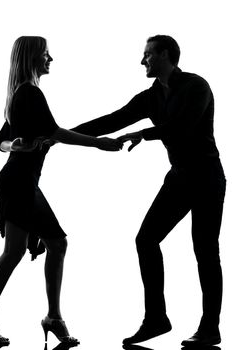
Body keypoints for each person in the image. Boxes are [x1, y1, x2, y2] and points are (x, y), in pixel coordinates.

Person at [71, 35, 226, 347]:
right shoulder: (151, 96)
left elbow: (184, 126)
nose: (143, 61)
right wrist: (60, 135)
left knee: (205, 251)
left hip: (207, 176)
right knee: (146, 239)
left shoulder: (196, 86)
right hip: (180, 177)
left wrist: (144, 132)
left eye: (148, 55)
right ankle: (156, 318)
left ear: (165, 55)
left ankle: (210, 329)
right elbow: (112, 120)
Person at [0, 36, 122, 347]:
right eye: (45, 54)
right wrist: (99, 143)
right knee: (55, 243)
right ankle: (41, 317)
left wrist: (11, 144)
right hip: (19, 181)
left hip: (21, 180)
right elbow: (53, 132)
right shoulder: (28, 92)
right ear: (32, 58)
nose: (50, 59)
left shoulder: (23, 92)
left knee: (23, 249)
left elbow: (1, 139)